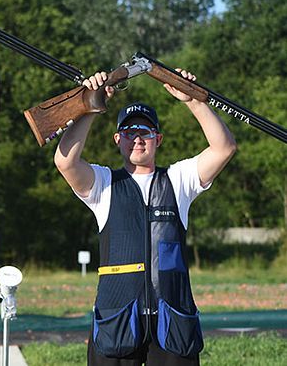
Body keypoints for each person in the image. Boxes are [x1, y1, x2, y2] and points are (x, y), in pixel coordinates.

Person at [53, 70, 237, 365]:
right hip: (117, 320)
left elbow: (224, 147)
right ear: (117, 139)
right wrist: (89, 106)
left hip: (172, 322)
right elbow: (65, 161)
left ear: (158, 139)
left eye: (145, 132)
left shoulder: (178, 180)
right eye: (129, 132)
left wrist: (193, 100)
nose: (137, 139)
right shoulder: (104, 184)